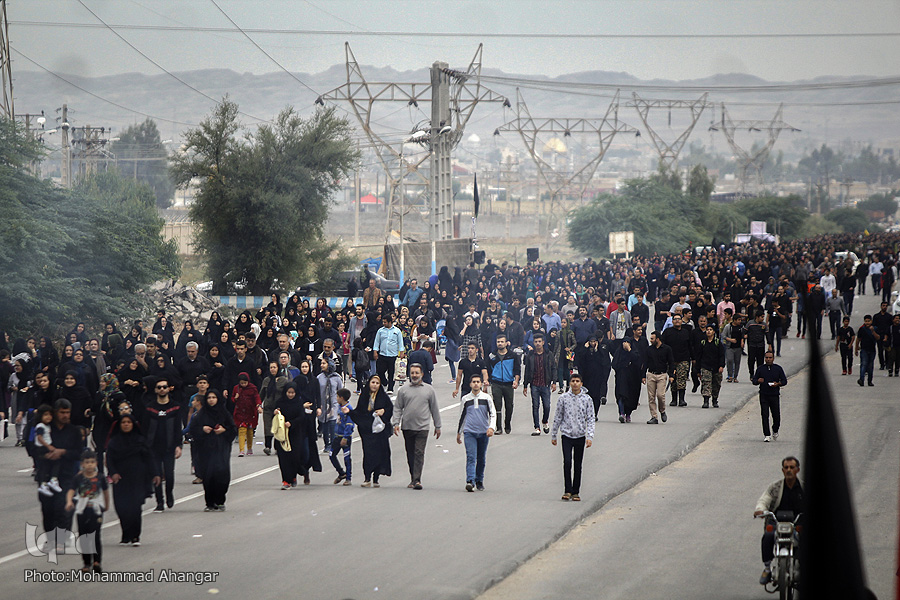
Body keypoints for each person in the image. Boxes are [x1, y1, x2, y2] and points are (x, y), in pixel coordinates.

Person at [106, 413, 159, 545]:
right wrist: (113, 473)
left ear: (133, 424)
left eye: (129, 422)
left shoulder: (140, 440)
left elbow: (149, 458)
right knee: (121, 507)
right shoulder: (114, 442)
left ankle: (135, 536)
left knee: (135, 507)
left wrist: (155, 474)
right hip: (121, 479)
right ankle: (126, 534)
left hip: (138, 478)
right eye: (123, 422)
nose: (126, 424)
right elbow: (109, 460)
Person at [753, 456, 804, 585]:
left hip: (798, 522)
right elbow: (764, 500)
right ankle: (767, 568)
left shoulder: (804, 488)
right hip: (777, 522)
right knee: (768, 536)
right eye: (786, 467)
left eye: (792, 467)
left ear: (797, 470)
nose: (789, 470)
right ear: (782, 470)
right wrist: (760, 510)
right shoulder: (775, 487)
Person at [391, 364, 442, 490]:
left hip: (423, 427)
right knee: (410, 454)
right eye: (412, 373)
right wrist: (396, 423)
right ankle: (413, 477)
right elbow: (398, 407)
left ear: (422, 374)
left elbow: (434, 408)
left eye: (416, 373)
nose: (414, 375)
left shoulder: (429, 390)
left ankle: (417, 480)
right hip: (407, 427)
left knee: (419, 452)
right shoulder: (403, 390)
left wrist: (438, 426)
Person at [189, 389, 236, 511]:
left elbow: (233, 429)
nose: (211, 400)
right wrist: (202, 429)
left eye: (214, 397)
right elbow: (193, 429)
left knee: (222, 475)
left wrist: (224, 430)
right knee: (209, 476)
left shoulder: (224, 413)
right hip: (206, 450)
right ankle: (209, 503)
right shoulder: (201, 414)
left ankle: (220, 501)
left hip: (221, 449)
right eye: (209, 398)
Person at [550, 373, 595, 502]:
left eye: (577, 381)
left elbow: (591, 418)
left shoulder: (587, 399)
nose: (575, 383)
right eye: (573, 381)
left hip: (580, 435)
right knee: (567, 462)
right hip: (566, 435)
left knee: (578, 464)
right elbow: (558, 416)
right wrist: (554, 434)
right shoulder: (563, 398)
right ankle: (567, 490)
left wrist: (590, 436)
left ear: (581, 383)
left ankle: (576, 492)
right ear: (569, 383)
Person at [141, 377, 183, 512]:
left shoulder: (175, 407)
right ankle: (160, 502)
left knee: (169, 475)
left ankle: (169, 493)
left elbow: (178, 428)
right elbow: (144, 428)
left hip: (169, 447)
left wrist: (179, 446)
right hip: (153, 448)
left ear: (168, 388)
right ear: (155, 390)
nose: (162, 389)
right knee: (156, 475)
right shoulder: (150, 408)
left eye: (164, 387)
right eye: (159, 387)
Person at [64, 449, 109, 573]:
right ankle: (86, 563)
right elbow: (71, 491)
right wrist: (69, 502)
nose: (89, 465)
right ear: (82, 464)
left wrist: (106, 505)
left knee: (95, 536)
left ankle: (97, 561)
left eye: (92, 462)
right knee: (84, 537)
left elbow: (105, 492)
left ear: (96, 463)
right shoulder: (78, 478)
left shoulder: (100, 477)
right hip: (82, 510)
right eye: (87, 462)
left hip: (96, 509)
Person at [345, 374, 393, 487]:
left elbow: (390, 409)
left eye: (377, 383)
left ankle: (376, 478)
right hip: (366, 431)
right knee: (368, 453)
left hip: (379, 431)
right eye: (373, 382)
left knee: (380, 453)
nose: (375, 385)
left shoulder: (383, 397)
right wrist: (349, 412)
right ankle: (367, 478)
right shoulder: (364, 396)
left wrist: (383, 411)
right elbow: (359, 412)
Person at [273, 382, 321, 489]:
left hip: (295, 433)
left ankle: (293, 477)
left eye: (292, 393)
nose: (290, 395)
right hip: (282, 434)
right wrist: (276, 412)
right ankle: (286, 480)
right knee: (283, 458)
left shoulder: (298, 402)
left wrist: (292, 423)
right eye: (288, 392)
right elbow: (276, 413)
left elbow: (301, 417)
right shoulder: (280, 402)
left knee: (294, 457)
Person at [456, 373, 495, 492]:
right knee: (471, 456)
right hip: (469, 432)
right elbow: (462, 416)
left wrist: (491, 428)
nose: (476, 384)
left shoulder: (486, 398)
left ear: (481, 383)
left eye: (478, 382)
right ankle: (470, 481)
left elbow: (492, 414)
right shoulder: (466, 399)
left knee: (481, 458)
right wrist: (459, 432)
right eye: (474, 382)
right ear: (470, 384)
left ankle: (479, 480)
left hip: (483, 432)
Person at [487, 333, 521, 435]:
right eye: (498, 342)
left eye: (502, 342)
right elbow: (487, 369)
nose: (500, 344)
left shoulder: (513, 355)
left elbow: (517, 370)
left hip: (508, 383)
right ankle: (498, 427)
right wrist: (488, 380)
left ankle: (507, 423)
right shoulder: (492, 356)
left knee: (509, 406)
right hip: (496, 383)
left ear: (506, 343)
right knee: (497, 406)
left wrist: (516, 381)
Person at [522, 332, 556, 436]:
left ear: (543, 342)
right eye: (536, 342)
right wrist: (525, 385)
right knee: (535, 406)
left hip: (545, 384)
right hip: (534, 384)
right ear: (533, 343)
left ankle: (545, 421)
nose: (537, 344)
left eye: (539, 342)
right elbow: (527, 370)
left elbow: (553, 368)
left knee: (547, 406)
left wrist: (554, 382)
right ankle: (537, 427)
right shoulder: (530, 355)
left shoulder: (548, 354)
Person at [752, 351, 787, 442]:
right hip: (764, 395)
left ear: (773, 358)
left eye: (770, 358)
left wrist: (778, 384)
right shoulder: (760, 369)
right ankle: (767, 434)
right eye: (766, 358)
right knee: (764, 415)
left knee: (776, 416)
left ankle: (775, 430)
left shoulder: (778, 369)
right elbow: (754, 380)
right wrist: (758, 381)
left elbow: (784, 381)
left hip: (774, 395)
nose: (768, 359)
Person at [643, 331, 674, 424]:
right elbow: (645, 363)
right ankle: (654, 416)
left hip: (662, 375)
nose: (650, 340)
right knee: (651, 397)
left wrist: (671, 375)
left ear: (657, 339)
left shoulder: (667, 349)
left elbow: (671, 362)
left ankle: (662, 410)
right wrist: (643, 376)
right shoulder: (648, 349)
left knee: (660, 395)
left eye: (652, 338)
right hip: (651, 374)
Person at [661, 314, 692, 407]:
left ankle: (681, 399)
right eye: (675, 319)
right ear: (672, 321)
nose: (677, 321)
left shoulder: (686, 332)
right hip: (671, 361)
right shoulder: (667, 332)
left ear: (682, 320)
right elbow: (663, 346)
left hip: (683, 359)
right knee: (673, 380)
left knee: (681, 378)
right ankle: (674, 399)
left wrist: (692, 358)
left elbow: (690, 346)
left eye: (679, 319)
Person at [33, 405, 64, 496]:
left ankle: (46, 483)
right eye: (45, 415)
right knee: (53, 462)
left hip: (45, 448)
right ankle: (52, 480)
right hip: (42, 449)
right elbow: (39, 438)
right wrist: (48, 446)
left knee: (46, 466)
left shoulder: (47, 426)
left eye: (50, 415)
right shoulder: (40, 426)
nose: (48, 417)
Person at [579, 335, 611, 419]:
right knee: (586, 396)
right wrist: (585, 348)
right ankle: (586, 413)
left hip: (597, 377)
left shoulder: (600, 351)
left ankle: (594, 414)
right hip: (587, 377)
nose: (593, 343)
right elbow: (580, 360)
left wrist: (596, 350)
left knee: (596, 397)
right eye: (591, 342)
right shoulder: (585, 350)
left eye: (594, 342)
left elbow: (603, 362)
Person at [260, 361, 288, 455]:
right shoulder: (267, 380)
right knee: (268, 427)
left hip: (279, 408)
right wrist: (259, 404)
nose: (272, 369)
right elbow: (262, 394)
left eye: (274, 367)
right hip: (268, 407)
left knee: (277, 428)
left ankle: (277, 447)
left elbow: (286, 394)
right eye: (271, 367)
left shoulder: (283, 380)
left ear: (278, 368)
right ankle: (267, 446)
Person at [231, 373, 261, 457]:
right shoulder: (236, 389)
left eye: (245, 383)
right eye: (242, 383)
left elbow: (256, 397)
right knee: (241, 430)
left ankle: (249, 447)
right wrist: (235, 398)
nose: (243, 384)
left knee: (250, 432)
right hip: (240, 412)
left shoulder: (253, 388)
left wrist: (258, 405)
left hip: (251, 413)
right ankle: (241, 450)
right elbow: (232, 399)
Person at [373, 314, 404, 393]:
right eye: (383, 322)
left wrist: (401, 352)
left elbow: (400, 342)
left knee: (391, 372)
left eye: (385, 322)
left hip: (392, 355)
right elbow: (377, 341)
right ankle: (384, 382)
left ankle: (390, 388)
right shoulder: (380, 331)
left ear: (390, 322)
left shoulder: (397, 331)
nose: (384, 323)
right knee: (380, 371)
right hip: (383, 354)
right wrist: (375, 351)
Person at [330, 388, 354, 485]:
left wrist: (345, 437)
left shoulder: (348, 409)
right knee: (332, 455)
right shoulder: (340, 407)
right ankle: (341, 472)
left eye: (337, 396)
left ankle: (348, 477)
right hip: (337, 436)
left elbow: (349, 424)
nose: (336, 398)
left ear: (342, 398)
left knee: (346, 457)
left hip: (345, 437)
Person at [698, 324, 725, 409]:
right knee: (706, 383)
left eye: (710, 329)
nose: (708, 331)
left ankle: (715, 399)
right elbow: (699, 356)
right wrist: (698, 370)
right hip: (705, 366)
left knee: (716, 384)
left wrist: (721, 366)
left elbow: (722, 355)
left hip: (716, 367)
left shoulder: (717, 343)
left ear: (713, 332)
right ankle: (706, 400)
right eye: (707, 330)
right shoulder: (703, 343)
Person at [855, 314, 880, 387]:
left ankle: (870, 381)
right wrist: (856, 348)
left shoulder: (875, 328)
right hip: (864, 350)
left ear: (871, 321)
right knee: (863, 364)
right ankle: (861, 379)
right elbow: (858, 339)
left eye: (868, 321)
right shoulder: (862, 329)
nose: (867, 323)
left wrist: (873, 331)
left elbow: (878, 338)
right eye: (866, 321)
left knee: (870, 366)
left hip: (872, 350)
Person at [722, 313, 745, 383]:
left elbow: (742, 335)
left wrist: (742, 341)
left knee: (737, 362)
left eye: (740, 320)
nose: (739, 321)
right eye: (738, 320)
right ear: (734, 320)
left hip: (738, 347)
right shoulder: (728, 327)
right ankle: (730, 375)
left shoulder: (741, 327)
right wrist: (730, 339)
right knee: (729, 360)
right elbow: (723, 335)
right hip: (730, 347)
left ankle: (735, 376)